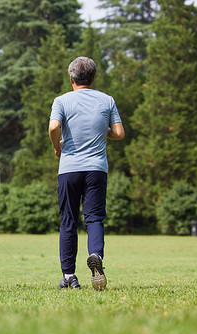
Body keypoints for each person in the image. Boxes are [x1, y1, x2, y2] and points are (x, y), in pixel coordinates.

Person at [48, 57, 125, 290]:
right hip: (97, 169)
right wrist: (102, 133)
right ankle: (96, 256)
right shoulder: (107, 100)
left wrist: (56, 146)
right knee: (94, 218)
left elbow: (53, 127)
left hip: (69, 169)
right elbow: (119, 133)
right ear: (93, 78)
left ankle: (69, 276)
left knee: (68, 220)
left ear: (71, 79)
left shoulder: (61, 101)